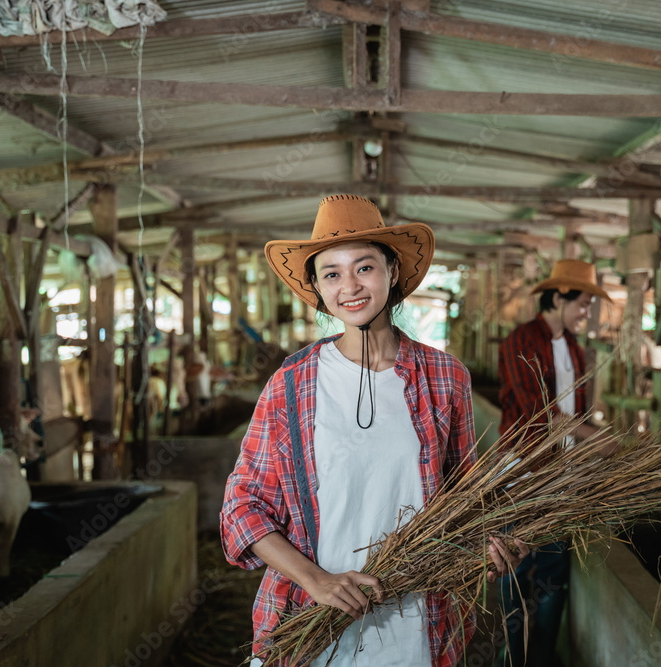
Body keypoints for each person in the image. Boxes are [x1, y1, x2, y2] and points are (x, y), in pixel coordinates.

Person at [221, 194, 528, 667]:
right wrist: (316, 580)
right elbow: (242, 507)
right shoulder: (293, 381)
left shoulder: (445, 377)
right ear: (319, 289)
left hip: (417, 622)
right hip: (311, 626)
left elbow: (465, 497)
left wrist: (490, 539)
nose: (350, 286)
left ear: (392, 271)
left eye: (364, 267)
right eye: (332, 273)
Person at [495, 258, 611, 667]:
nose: (586, 313)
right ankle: (511, 654)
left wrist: (583, 453)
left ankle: (541, 655)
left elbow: (573, 414)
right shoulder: (521, 342)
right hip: (522, 476)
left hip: (559, 478)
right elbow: (539, 417)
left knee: (552, 572)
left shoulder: (575, 349)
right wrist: (598, 439)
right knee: (511, 567)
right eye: (583, 303)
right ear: (559, 296)